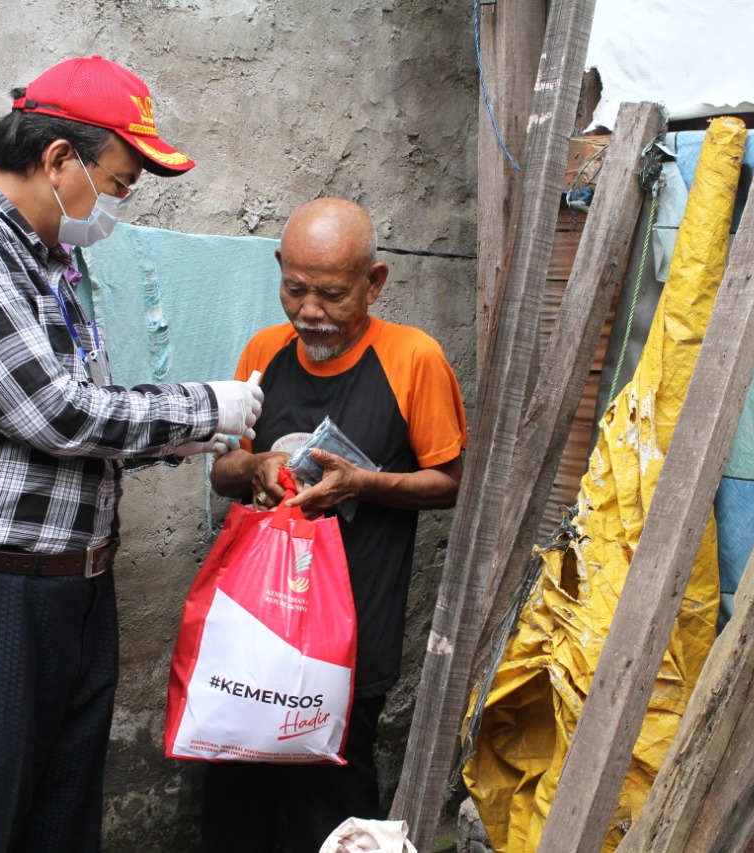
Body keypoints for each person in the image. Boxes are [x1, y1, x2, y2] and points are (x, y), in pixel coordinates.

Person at [0, 55, 263, 853]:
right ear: (57, 160)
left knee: (59, 826)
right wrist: (200, 402)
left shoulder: (50, 262)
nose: (117, 205)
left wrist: (182, 435)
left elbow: (61, 431)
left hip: (65, 598)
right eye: (118, 184)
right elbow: (52, 412)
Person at [205, 197, 468, 852]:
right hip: (255, 627)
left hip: (349, 636)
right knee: (236, 802)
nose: (310, 310)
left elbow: (452, 484)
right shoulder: (266, 351)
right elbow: (222, 471)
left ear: (374, 283)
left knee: (329, 808)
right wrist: (257, 466)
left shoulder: (414, 358)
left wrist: (365, 483)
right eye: (294, 288)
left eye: (331, 293)